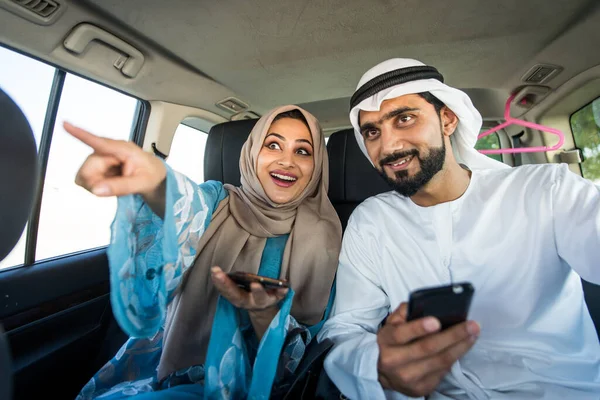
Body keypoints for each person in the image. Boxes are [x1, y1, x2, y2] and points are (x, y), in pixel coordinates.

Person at [318, 58, 600, 399]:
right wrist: (374, 363)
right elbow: (345, 328)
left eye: (405, 118)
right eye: (373, 132)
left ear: (447, 119)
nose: (389, 146)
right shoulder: (370, 221)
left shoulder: (545, 190)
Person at [67, 105, 342, 399]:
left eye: (303, 151)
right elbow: (184, 207)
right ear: (252, 153)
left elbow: (306, 362)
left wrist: (265, 314)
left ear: (317, 166)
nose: (287, 161)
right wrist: (154, 181)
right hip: (172, 372)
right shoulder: (217, 199)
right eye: (273, 145)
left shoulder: (326, 238)